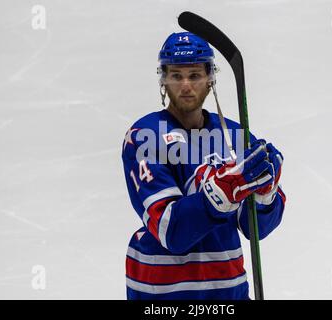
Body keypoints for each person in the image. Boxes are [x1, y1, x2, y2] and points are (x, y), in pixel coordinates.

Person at [122, 32, 286, 300]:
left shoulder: (235, 137)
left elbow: (254, 228)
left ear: (210, 79)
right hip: (163, 292)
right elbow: (171, 230)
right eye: (176, 75)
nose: (186, 85)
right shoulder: (144, 136)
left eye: (195, 75)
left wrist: (265, 196)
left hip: (227, 290)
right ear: (163, 79)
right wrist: (223, 190)